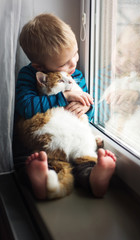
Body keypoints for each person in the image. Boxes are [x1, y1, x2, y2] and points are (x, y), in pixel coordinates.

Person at [15, 13, 116, 200]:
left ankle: (94, 179)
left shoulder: (75, 74)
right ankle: (44, 180)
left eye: (75, 53)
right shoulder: (28, 75)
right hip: (43, 144)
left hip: (72, 138)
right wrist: (63, 97)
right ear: (39, 66)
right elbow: (25, 107)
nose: (74, 64)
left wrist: (87, 108)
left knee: (83, 161)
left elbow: (87, 107)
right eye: (64, 63)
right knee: (27, 162)